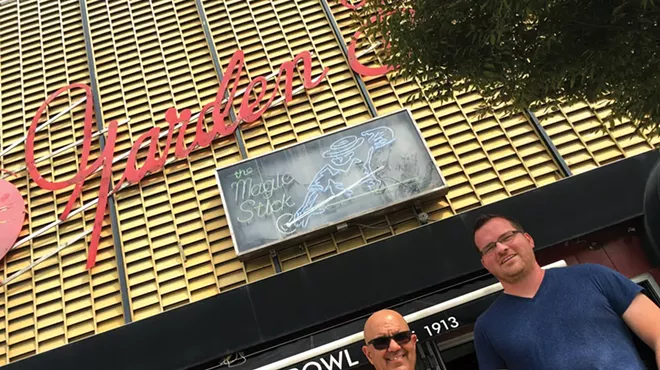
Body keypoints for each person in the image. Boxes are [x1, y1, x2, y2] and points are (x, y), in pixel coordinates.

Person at [472, 213, 660, 370]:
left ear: (528, 240)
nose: (501, 248)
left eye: (507, 237)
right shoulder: (487, 328)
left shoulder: (594, 276)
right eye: (489, 248)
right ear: (485, 264)